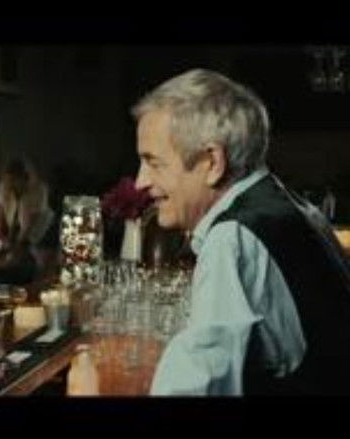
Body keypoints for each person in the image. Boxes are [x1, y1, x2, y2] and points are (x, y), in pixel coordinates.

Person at [131, 68, 350, 395]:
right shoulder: (292, 204)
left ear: (212, 163)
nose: (140, 182)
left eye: (153, 162)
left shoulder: (232, 238)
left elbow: (196, 390)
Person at [0, 158, 56, 275]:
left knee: (37, 260)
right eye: (8, 181)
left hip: (41, 229)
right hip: (18, 225)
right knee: (9, 254)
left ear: (23, 178)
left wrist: (16, 245)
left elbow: (30, 224)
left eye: (13, 181)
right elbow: (1, 212)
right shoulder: (4, 186)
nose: (10, 184)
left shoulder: (39, 189)